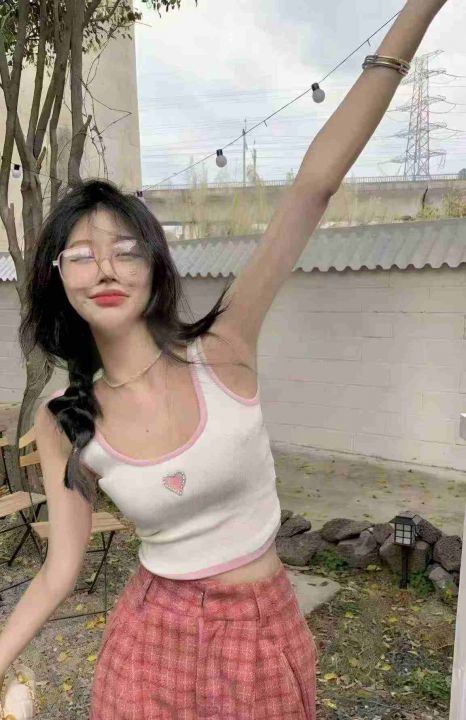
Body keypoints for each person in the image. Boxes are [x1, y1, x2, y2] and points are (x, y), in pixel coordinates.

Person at [0, 0, 450, 717]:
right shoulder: (65, 421)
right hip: (149, 644)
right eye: (80, 255)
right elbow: (60, 570)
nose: (105, 268)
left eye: (125, 248)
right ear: (59, 280)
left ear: (155, 264)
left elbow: (312, 187)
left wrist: (416, 16)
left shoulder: (224, 346)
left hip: (259, 636)